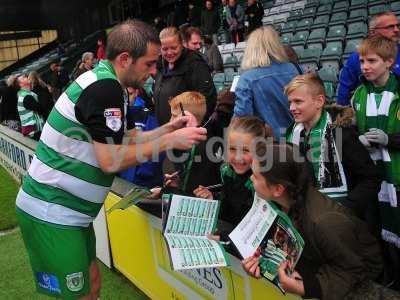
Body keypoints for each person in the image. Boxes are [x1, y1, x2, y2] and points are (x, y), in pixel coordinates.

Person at [15, 20, 207, 300]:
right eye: (149, 64)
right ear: (126, 59)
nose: (154, 71)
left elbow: (123, 140)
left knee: (92, 285)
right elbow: (111, 161)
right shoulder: (104, 88)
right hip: (52, 211)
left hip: (70, 213)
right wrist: (168, 142)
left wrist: (168, 129)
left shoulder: (108, 83)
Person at [242, 143, 389, 300]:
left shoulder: (324, 222)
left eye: (256, 176)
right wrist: (264, 263)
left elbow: (352, 269)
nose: (250, 178)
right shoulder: (281, 202)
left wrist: (304, 287)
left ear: (278, 189)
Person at [284, 73, 381, 230]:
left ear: (319, 101)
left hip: (344, 221)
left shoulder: (341, 133)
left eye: (298, 102)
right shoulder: (294, 134)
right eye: (290, 102)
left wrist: (346, 208)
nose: (292, 108)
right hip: (311, 219)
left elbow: (371, 178)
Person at [352, 36, 400, 285]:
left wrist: (388, 139)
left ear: (389, 62)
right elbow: (349, 132)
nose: (365, 66)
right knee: (373, 231)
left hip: (396, 177)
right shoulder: (358, 94)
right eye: (362, 61)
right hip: (369, 178)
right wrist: (357, 140)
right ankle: (383, 278)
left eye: (372, 61)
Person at [194, 116, 272, 238]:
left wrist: (224, 238)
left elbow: (257, 229)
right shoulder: (226, 171)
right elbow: (229, 208)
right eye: (232, 149)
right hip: (228, 232)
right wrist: (213, 198)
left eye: (245, 150)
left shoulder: (261, 184)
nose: (237, 157)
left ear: (261, 151)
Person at [233, 26, 297, 139]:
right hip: (295, 138)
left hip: (267, 145)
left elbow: (242, 121)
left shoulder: (247, 79)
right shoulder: (293, 69)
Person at [154, 26, 217, 126]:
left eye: (174, 48)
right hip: (165, 131)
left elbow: (207, 98)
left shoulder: (195, 63)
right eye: (165, 49)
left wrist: (193, 125)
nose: (169, 52)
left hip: (186, 133)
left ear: (181, 44)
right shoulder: (160, 65)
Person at [163, 91, 221, 196]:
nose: (170, 120)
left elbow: (190, 191)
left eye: (174, 116)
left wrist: (171, 188)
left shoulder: (204, 148)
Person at [337, 11, 400, 106]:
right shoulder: (356, 58)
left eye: (398, 26)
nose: (396, 30)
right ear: (373, 32)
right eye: (390, 27)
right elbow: (344, 93)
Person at [16, 74, 45, 140]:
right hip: (34, 131)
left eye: (25, 76)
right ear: (21, 84)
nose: (26, 77)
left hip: (32, 130)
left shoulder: (25, 94)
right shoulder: (26, 97)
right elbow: (41, 109)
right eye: (23, 78)